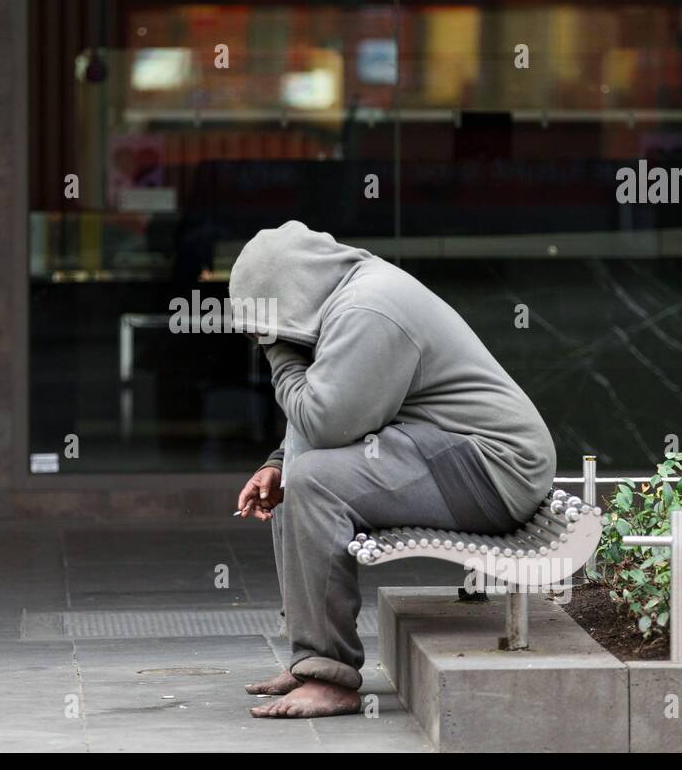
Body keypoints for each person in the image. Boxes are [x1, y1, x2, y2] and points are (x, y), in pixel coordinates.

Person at [230, 221, 556, 719]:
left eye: (259, 322)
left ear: (286, 295)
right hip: (453, 454)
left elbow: (326, 425)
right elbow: (340, 406)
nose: (258, 336)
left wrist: (279, 351)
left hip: (492, 468)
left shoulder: (367, 308)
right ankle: (309, 660)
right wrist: (277, 463)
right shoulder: (348, 296)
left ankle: (329, 678)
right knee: (299, 479)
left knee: (316, 482)